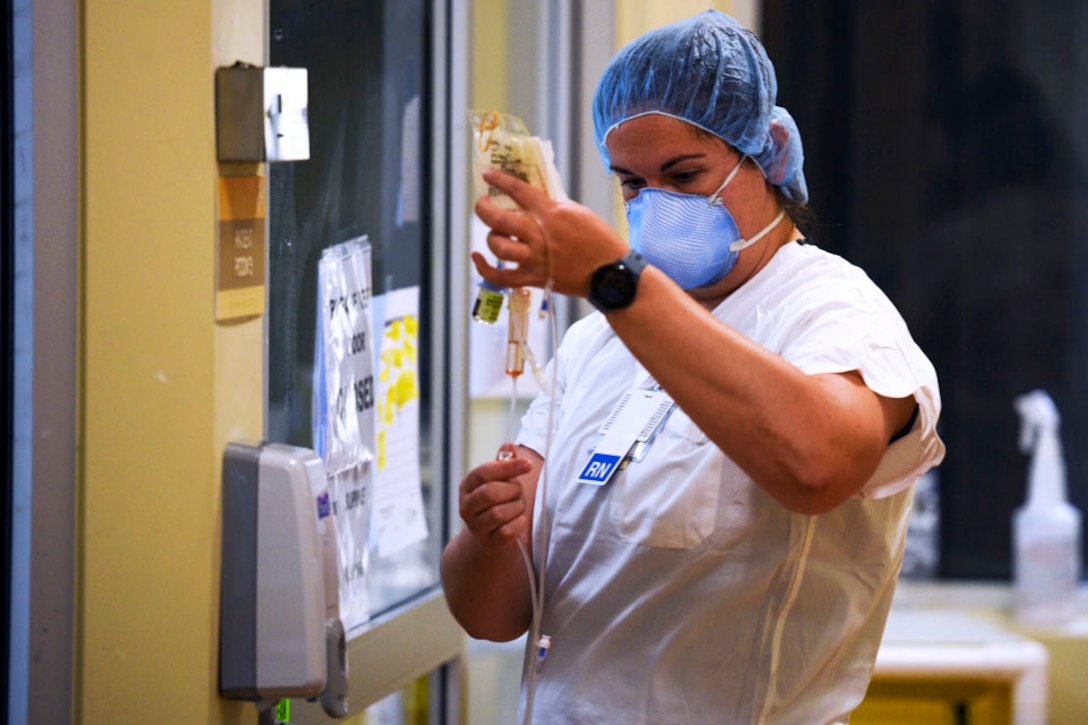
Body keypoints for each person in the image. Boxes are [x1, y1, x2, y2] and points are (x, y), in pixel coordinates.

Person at [440, 10, 945, 724]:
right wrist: (485, 534)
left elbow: (817, 464)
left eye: (683, 174)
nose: (656, 206)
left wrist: (615, 278)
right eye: (631, 184)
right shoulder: (597, 344)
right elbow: (493, 616)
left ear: (765, 157)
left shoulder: (835, 316)